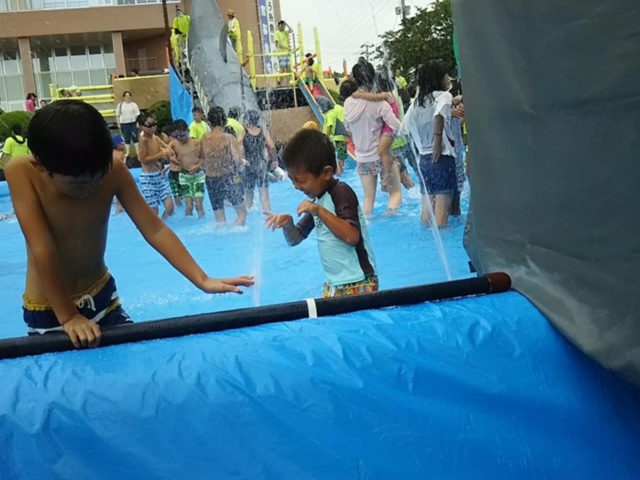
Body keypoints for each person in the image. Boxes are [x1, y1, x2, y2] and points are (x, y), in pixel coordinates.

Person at [4, 100, 254, 348]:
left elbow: (154, 229)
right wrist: (69, 316)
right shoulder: (22, 173)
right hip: (50, 310)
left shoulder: (114, 171)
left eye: (98, 178)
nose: (91, 187)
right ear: (41, 165)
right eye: (79, 184)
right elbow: (42, 248)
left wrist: (202, 279)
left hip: (103, 297)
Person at [265, 129, 378, 298]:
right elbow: (295, 239)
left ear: (327, 173)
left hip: (360, 281)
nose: (296, 186)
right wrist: (288, 225)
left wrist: (318, 211)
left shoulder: (341, 192)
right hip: (335, 283)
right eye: (292, 179)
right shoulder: (319, 201)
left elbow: (352, 237)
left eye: (301, 180)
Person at [399, 61, 457, 227]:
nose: (448, 78)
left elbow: (403, 128)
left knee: (426, 213)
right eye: (446, 75)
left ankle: (425, 242)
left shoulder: (417, 102)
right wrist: (437, 141)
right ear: (438, 78)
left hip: (424, 162)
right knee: (441, 219)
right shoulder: (444, 96)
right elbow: (439, 114)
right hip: (442, 158)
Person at [343, 61, 402, 216]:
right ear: (373, 78)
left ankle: (367, 224)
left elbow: (348, 129)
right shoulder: (380, 104)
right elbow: (397, 126)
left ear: (355, 80)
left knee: (368, 199)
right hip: (381, 156)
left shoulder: (348, 103)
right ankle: (390, 216)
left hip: (362, 158)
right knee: (395, 194)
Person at [352, 73, 414, 190]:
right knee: (401, 176)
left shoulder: (387, 95)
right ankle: (401, 181)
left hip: (391, 134)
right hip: (396, 138)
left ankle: (391, 174)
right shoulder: (393, 96)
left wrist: (359, 94)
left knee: (386, 157)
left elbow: (374, 98)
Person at [201, 107, 247, 226]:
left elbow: (201, 157)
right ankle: (238, 235)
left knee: (219, 219)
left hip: (210, 179)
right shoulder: (228, 138)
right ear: (225, 122)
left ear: (209, 122)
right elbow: (237, 159)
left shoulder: (204, 138)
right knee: (242, 212)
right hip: (227, 178)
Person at [137, 113, 175, 220]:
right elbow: (142, 159)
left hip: (159, 175)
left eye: (154, 124)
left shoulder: (155, 138)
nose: (153, 127)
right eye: (149, 125)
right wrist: (161, 154)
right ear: (141, 127)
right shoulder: (144, 140)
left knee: (170, 207)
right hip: (148, 178)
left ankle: (163, 224)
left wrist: (167, 151)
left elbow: (170, 151)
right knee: (154, 210)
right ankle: (152, 228)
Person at [238, 110, 274, 213]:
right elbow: (271, 146)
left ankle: (248, 213)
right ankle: (268, 215)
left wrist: (242, 160)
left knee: (248, 195)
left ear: (248, 121)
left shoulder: (244, 133)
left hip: (248, 165)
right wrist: (272, 159)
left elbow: (238, 147)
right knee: (264, 196)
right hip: (261, 164)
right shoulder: (263, 131)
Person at [169, 119, 205, 218]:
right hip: (184, 176)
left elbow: (204, 158)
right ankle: (188, 224)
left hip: (198, 176)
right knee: (189, 206)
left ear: (188, 131)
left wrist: (198, 166)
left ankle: (201, 220)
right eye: (176, 136)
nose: (179, 138)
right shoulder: (174, 144)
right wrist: (173, 159)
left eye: (182, 135)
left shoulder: (196, 143)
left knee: (198, 205)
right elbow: (170, 156)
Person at [321, 98, 349, 177]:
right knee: (341, 157)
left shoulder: (329, 114)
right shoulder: (337, 111)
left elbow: (330, 125)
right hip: (341, 138)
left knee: (335, 157)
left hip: (334, 139)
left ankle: (339, 173)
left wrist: (326, 137)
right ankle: (341, 172)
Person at [160, 124, 182, 207]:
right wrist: (167, 168)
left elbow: (171, 158)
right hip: (178, 172)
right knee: (183, 195)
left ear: (169, 135)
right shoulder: (178, 143)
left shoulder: (171, 145)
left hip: (174, 174)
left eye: (164, 136)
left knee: (177, 196)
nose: (163, 139)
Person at [116, 91, 140, 158]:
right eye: (126, 96)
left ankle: (137, 151)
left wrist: (137, 123)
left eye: (129, 96)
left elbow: (137, 115)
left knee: (135, 137)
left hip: (133, 123)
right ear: (124, 97)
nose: (128, 97)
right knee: (127, 137)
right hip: (124, 124)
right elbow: (118, 115)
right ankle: (127, 152)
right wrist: (118, 123)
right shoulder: (120, 105)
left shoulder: (134, 105)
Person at [112, 134, 127, 215]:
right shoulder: (120, 154)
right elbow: (122, 167)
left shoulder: (112, 153)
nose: (125, 145)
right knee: (120, 198)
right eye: (123, 143)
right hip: (119, 178)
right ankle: (119, 209)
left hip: (111, 177)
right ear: (118, 145)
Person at [274, 20, 292, 85]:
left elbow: (291, 30)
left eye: (285, 26)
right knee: (282, 69)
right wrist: (287, 48)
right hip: (281, 54)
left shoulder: (285, 32)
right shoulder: (277, 33)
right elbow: (278, 44)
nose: (284, 27)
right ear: (280, 25)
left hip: (287, 53)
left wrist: (286, 23)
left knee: (288, 69)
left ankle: (288, 83)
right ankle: (279, 82)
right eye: (283, 26)